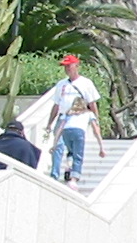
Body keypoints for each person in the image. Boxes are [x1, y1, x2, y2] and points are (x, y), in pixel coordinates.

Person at [45, 54, 105, 187]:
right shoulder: (61, 85)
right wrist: (50, 123)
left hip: (78, 119)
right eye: (65, 66)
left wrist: (95, 119)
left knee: (73, 150)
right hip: (63, 118)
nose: (67, 69)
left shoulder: (86, 83)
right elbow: (56, 104)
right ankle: (54, 174)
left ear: (76, 66)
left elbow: (92, 103)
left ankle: (70, 170)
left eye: (69, 66)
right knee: (58, 146)